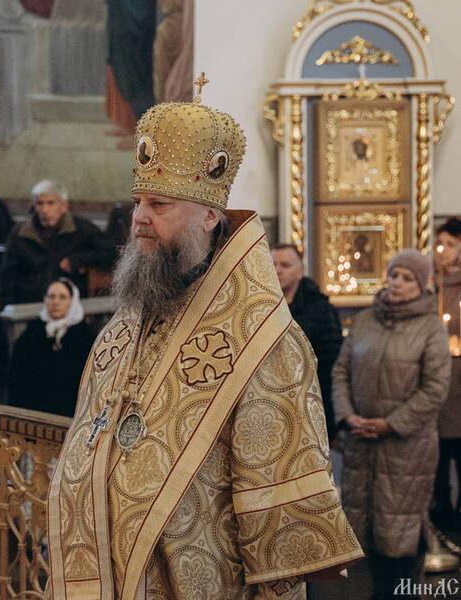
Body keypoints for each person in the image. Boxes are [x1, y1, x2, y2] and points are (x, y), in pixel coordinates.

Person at [45, 94, 362, 600]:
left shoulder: (261, 338)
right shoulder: (133, 314)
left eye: (159, 205)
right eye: (138, 203)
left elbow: (275, 518)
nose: (139, 219)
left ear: (210, 215)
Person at [332, 248, 451, 599]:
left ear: (421, 284)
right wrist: (347, 416)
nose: (397, 283)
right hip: (361, 443)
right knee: (368, 532)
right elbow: (341, 372)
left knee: (401, 535)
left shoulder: (430, 328)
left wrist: (391, 423)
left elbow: (435, 388)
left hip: (406, 448)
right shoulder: (365, 321)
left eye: (407, 278)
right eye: (394, 275)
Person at [0, 180, 115, 305]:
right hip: (30, 304)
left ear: (64, 206)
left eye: (51, 203)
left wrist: (77, 260)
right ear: (34, 206)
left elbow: (112, 254)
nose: (45, 210)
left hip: (69, 305)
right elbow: (7, 275)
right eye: (40, 203)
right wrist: (8, 307)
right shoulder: (20, 233)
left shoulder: (82, 229)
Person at [271, 243, 343, 439]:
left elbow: (330, 364)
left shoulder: (319, 309)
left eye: (285, 265)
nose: (277, 270)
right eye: (273, 264)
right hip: (273, 399)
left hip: (309, 398)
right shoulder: (260, 304)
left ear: (300, 271)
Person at [8, 279, 95, 416]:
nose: (56, 302)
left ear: (72, 301)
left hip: (70, 412)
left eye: (62, 297)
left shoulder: (85, 336)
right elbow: (17, 377)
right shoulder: (32, 333)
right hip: (34, 411)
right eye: (51, 296)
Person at [432, 217, 461, 525]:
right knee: (437, 456)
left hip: (459, 381)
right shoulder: (430, 285)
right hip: (437, 380)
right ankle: (441, 511)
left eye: (451, 244)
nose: (443, 250)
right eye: (439, 244)